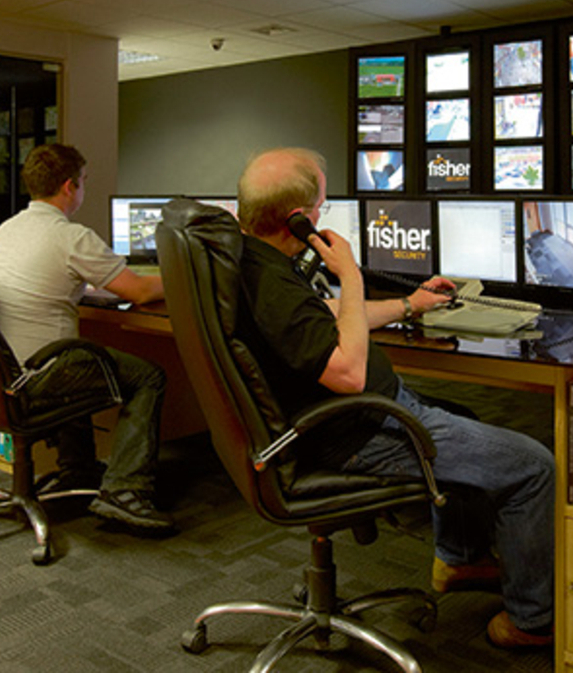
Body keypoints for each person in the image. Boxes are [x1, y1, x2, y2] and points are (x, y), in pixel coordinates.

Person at [233, 147, 555, 649]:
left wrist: (410, 304)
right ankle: (531, 621)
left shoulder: (255, 262)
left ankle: (460, 559)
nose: (322, 215)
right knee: (533, 466)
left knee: (462, 414)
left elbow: (329, 315)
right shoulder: (270, 285)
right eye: (320, 207)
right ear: (299, 220)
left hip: (354, 417)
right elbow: (349, 374)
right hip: (359, 430)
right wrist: (351, 274)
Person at [0, 143, 173, 533]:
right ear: (70, 186)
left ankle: (79, 470)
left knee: (82, 357)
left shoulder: (5, 230)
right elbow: (139, 291)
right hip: (42, 373)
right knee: (147, 376)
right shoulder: (70, 236)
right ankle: (124, 490)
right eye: (84, 181)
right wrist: (187, 276)